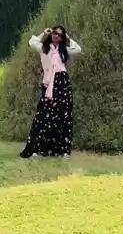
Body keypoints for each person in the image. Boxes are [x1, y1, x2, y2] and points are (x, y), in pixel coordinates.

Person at [20, 25, 82, 158]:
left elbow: (78, 49)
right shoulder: (44, 48)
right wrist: (44, 33)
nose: (56, 36)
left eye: (59, 35)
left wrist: (68, 38)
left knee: (63, 115)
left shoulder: (64, 49)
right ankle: (38, 148)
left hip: (62, 82)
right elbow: (32, 42)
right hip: (49, 83)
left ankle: (62, 149)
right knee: (43, 115)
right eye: (54, 33)